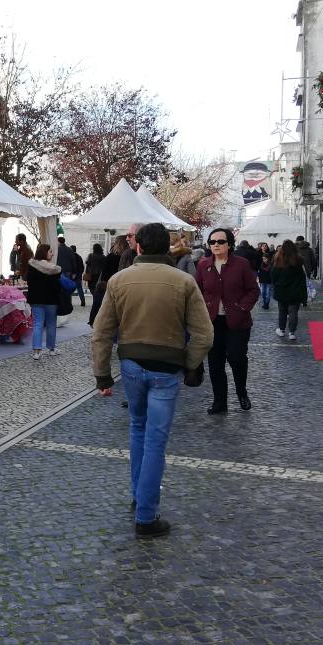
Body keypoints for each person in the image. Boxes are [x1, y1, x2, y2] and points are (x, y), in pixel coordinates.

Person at [92, 223, 214, 539]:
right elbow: (204, 334)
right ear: (168, 248)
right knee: (156, 440)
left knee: (137, 427)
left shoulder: (119, 281)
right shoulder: (184, 281)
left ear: (140, 248)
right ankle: (146, 515)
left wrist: (103, 376)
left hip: (131, 365)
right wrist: (188, 363)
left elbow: (102, 332)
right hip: (166, 368)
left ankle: (138, 494)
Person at [194, 228, 259, 415]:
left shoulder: (241, 264)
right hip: (212, 322)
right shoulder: (203, 265)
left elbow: (253, 290)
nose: (215, 245)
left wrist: (242, 307)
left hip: (237, 322)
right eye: (212, 242)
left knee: (237, 358)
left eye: (220, 242)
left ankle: (241, 391)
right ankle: (219, 401)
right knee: (215, 363)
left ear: (229, 244)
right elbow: (197, 291)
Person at [26, 243, 62, 359]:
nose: (52, 254)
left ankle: (37, 351)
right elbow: (57, 286)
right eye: (50, 251)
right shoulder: (54, 269)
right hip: (51, 300)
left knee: (38, 324)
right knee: (51, 324)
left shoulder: (31, 266)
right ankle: (51, 349)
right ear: (45, 253)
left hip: (36, 299)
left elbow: (29, 282)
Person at [271, 239, 307, 341]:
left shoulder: (278, 259)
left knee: (282, 311)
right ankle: (292, 333)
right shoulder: (298, 260)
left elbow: (273, 275)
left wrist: (276, 285)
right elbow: (302, 278)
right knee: (293, 312)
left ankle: (282, 330)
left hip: (281, 290)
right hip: (295, 291)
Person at [88, 235, 126, 326]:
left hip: (103, 281)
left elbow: (103, 271)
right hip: (118, 284)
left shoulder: (110, 256)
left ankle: (95, 321)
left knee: (100, 303)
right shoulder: (107, 256)